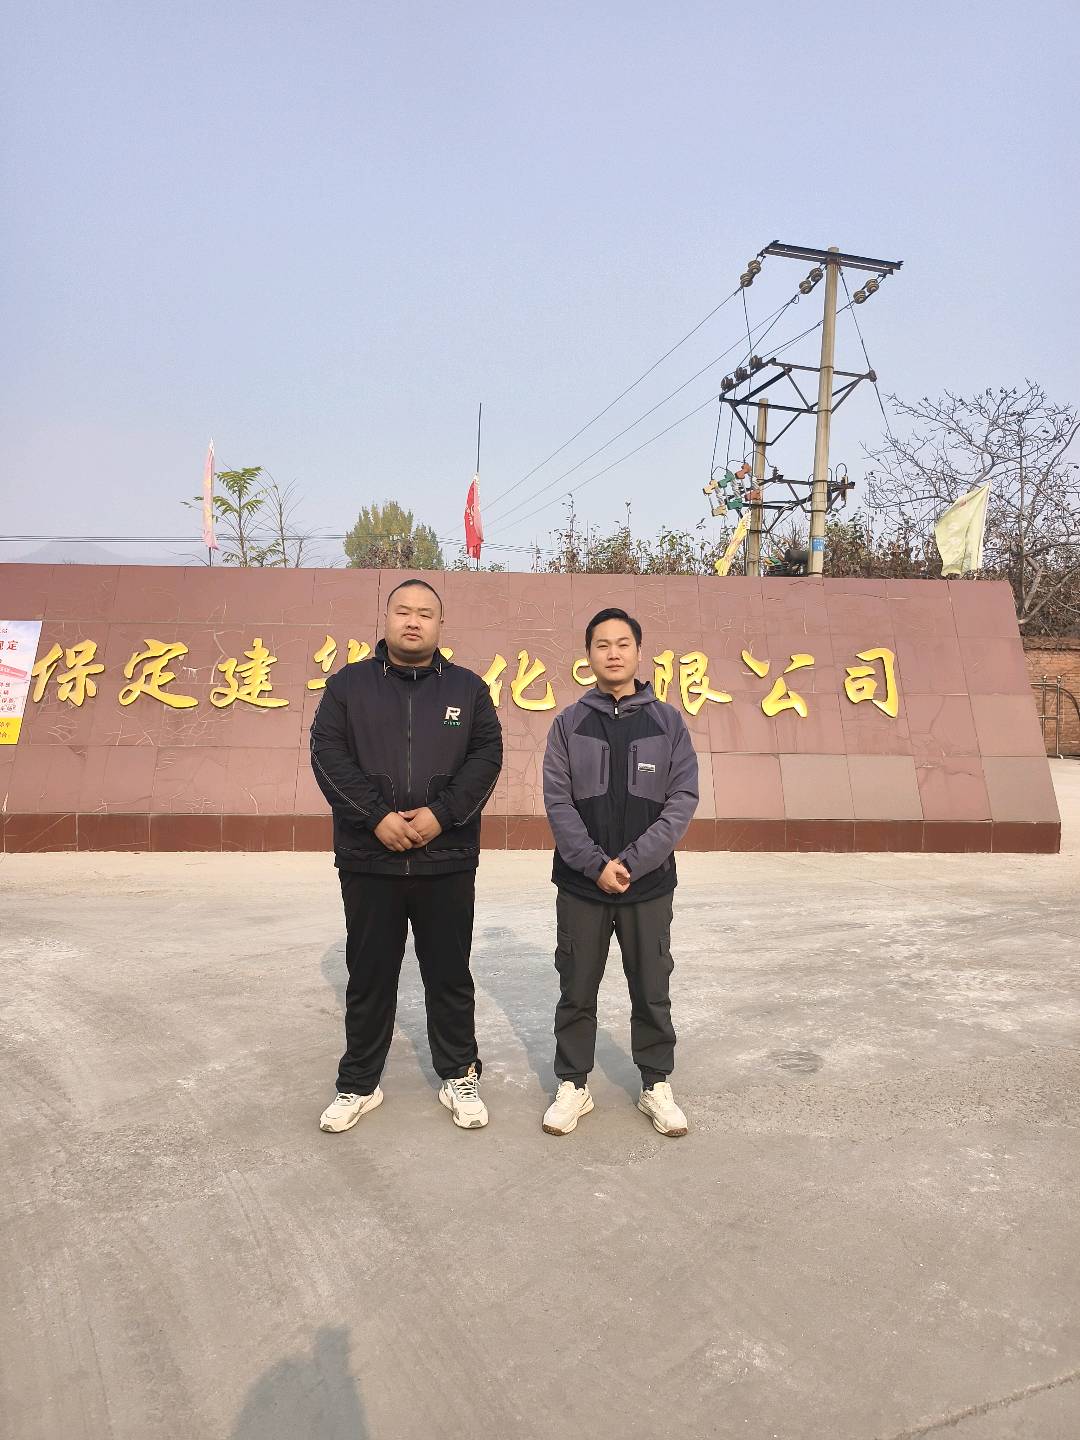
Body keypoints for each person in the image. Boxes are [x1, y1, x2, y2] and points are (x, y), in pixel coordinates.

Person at [310, 577, 503, 1133]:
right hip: (369, 859)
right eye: (403, 611)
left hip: (446, 858)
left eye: (425, 613)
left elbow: (486, 757)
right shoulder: (348, 686)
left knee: (449, 974)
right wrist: (376, 817)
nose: (413, 621)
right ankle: (358, 1082)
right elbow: (327, 754)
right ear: (387, 618)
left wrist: (442, 814)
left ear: (440, 625)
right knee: (369, 975)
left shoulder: (468, 690)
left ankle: (459, 1073)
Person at [540, 607, 698, 1138]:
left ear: (638, 652)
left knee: (652, 987)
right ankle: (573, 1084)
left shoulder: (668, 722)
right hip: (581, 885)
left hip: (647, 884)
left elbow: (682, 801)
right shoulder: (568, 724)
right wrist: (594, 865)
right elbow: (558, 803)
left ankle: (656, 1083)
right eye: (602, 644)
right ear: (588, 655)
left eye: (622, 643)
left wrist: (630, 863)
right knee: (576, 986)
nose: (613, 653)